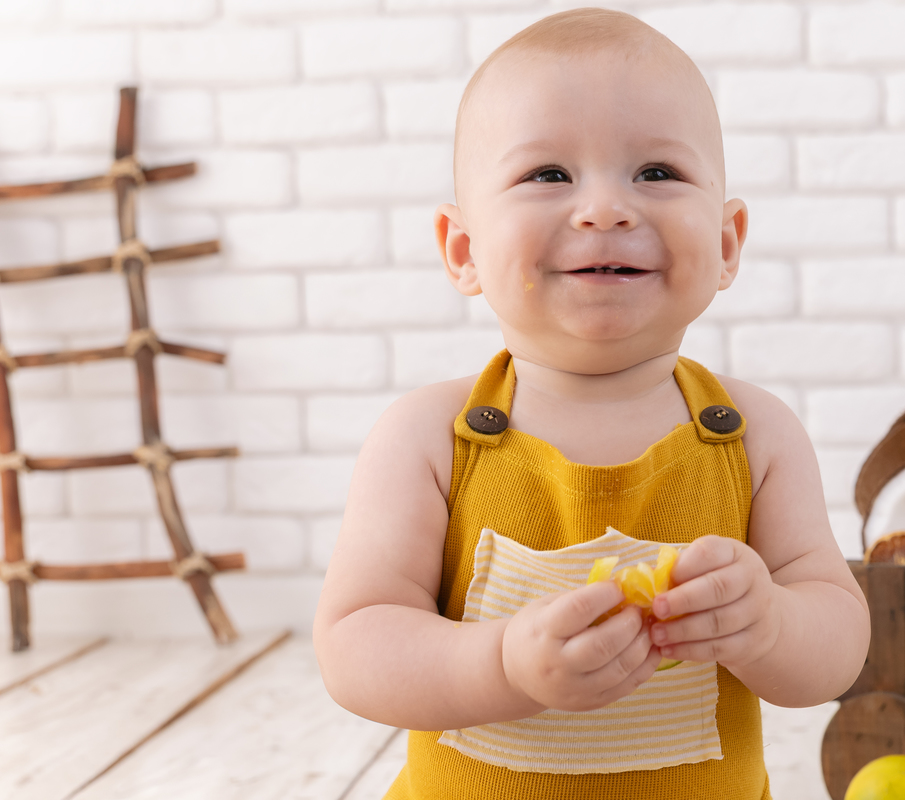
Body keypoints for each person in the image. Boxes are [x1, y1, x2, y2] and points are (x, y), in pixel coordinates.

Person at [312, 8, 870, 799]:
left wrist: (772, 622)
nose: (606, 209)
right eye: (548, 175)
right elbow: (355, 647)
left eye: (656, 173)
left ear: (726, 244)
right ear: (464, 251)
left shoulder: (755, 437)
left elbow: (840, 646)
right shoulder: (430, 439)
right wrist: (502, 663)